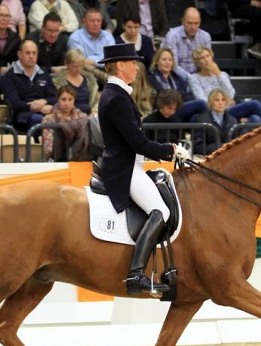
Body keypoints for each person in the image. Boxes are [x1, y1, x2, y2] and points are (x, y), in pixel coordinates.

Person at [97, 42, 189, 297]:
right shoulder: (115, 98)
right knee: (160, 211)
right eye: (132, 63)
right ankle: (136, 274)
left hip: (131, 164)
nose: (137, 68)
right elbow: (137, 143)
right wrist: (169, 151)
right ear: (119, 66)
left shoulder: (118, 94)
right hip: (124, 169)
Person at [188, 46, 261, 123]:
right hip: (212, 113)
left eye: (208, 56)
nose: (206, 59)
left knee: (255, 118)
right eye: (202, 58)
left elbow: (231, 94)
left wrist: (218, 74)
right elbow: (203, 102)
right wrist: (224, 102)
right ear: (197, 63)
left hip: (228, 110)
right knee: (254, 104)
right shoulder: (194, 78)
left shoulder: (222, 75)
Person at [2, 40, 58, 132]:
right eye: (28, 53)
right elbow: (13, 102)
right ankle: (38, 146)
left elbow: (54, 97)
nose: (31, 56)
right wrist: (36, 108)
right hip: (22, 116)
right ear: (20, 54)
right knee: (38, 119)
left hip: (45, 110)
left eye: (34, 53)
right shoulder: (10, 76)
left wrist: (44, 101)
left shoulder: (43, 74)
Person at [148, 46, 206, 122]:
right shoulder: (151, 77)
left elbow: (187, 95)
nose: (167, 62)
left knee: (195, 118)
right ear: (157, 61)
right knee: (201, 104)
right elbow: (162, 96)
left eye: (170, 60)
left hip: (178, 108)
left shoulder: (177, 77)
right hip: (163, 110)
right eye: (164, 59)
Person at [161, 7, 211, 78]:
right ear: (183, 21)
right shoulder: (172, 36)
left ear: (200, 22)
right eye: (189, 23)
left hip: (199, 76)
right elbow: (173, 65)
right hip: (176, 77)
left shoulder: (205, 37)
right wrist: (190, 78)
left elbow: (207, 62)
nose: (193, 27)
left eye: (196, 23)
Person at [41, 85, 87, 157]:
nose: (67, 103)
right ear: (58, 100)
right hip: (56, 157)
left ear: (74, 100)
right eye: (63, 99)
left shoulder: (82, 117)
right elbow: (48, 146)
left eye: (70, 99)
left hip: (79, 156)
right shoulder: (49, 119)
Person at [52, 48, 99, 115]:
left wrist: (95, 111)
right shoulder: (58, 80)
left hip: (90, 115)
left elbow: (96, 99)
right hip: (68, 115)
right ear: (66, 64)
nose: (78, 69)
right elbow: (56, 100)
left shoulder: (90, 79)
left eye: (80, 66)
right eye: (74, 66)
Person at [193, 88, 238, 155]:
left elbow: (236, 144)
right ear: (211, 102)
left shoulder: (233, 120)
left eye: (223, 100)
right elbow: (198, 147)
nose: (220, 103)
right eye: (217, 100)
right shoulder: (201, 120)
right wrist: (217, 147)